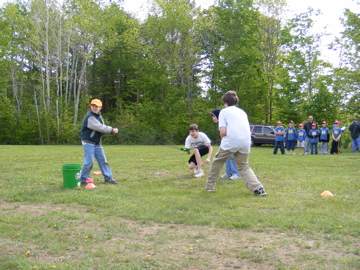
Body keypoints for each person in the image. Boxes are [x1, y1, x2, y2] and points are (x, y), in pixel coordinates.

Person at [205, 91, 266, 195]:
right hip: (246, 141)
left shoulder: (224, 112)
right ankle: (258, 188)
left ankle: (209, 187)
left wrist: (223, 139)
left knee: (217, 162)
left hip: (231, 141)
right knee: (243, 166)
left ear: (225, 102)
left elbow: (223, 132)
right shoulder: (242, 112)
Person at [80, 99, 119, 185]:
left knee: (103, 161)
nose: (94, 108)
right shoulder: (90, 117)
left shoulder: (99, 117)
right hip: (88, 142)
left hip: (97, 143)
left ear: (100, 108)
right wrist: (112, 130)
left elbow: (102, 129)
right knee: (89, 161)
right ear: (90, 106)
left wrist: (111, 132)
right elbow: (99, 127)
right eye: (93, 106)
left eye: (96, 106)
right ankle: (83, 179)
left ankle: (108, 178)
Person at [210, 109, 241, 180]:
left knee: (232, 157)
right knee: (227, 157)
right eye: (212, 117)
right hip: (227, 143)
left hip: (232, 142)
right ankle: (229, 173)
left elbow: (225, 133)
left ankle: (236, 173)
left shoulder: (225, 122)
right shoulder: (221, 123)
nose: (213, 118)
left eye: (214, 116)